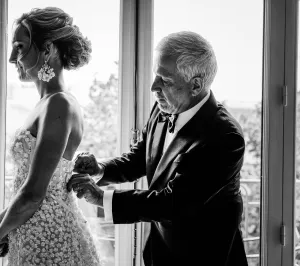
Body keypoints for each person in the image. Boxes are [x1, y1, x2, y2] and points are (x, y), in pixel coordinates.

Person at [68, 31, 248, 266]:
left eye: (166, 80)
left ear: (196, 84)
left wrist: (101, 197)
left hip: (205, 257)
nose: (154, 87)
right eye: (156, 75)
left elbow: (172, 203)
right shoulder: (163, 109)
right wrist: (100, 169)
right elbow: (140, 158)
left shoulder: (225, 138)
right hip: (160, 252)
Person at [0, 7, 101, 265]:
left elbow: (35, 193)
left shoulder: (59, 105)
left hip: (49, 241)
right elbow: (33, 186)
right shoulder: (47, 103)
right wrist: (0, 220)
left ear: (47, 50)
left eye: (20, 47)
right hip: (29, 231)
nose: (13, 57)